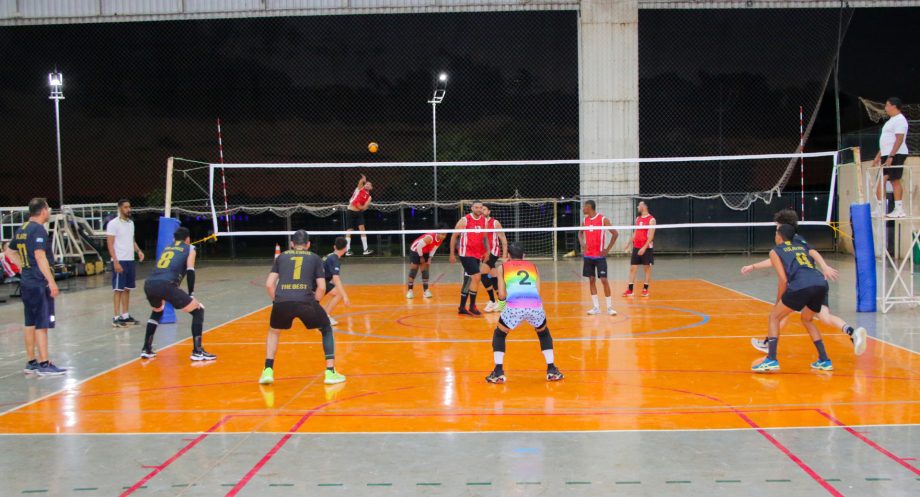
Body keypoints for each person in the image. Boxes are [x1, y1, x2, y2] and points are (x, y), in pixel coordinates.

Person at [742, 208, 867, 355]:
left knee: (781, 314)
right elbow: (775, 260)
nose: (775, 229)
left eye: (777, 226)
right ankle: (852, 332)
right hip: (816, 281)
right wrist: (754, 266)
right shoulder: (793, 240)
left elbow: (811, 252)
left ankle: (768, 345)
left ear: (783, 227)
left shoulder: (792, 239)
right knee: (824, 317)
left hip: (802, 283)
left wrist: (825, 266)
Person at [260, 230, 345, 385]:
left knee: (274, 331)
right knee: (326, 327)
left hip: (282, 300)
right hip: (306, 300)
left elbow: (269, 284)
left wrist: (277, 300)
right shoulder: (315, 257)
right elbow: (321, 287)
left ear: (292, 244)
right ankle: (330, 372)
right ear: (308, 244)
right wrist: (316, 303)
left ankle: (267, 370)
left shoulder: (281, 257)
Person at [752, 224, 838, 373]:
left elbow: (783, 280)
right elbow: (814, 256)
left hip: (801, 285)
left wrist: (779, 301)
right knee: (807, 319)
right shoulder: (801, 246)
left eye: (776, 233)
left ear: (779, 236)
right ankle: (824, 359)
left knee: (774, 317)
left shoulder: (775, 251)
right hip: (820, 283)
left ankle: (771, 359)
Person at [4, 198, 66, 375]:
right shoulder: (38, 229)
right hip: (39, 282)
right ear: (43, 211)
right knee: (42, 323)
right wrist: (51, 281)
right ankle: (44, 364)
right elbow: (40, 256)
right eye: (48, 208)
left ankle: (31, 362)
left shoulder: (22, 228)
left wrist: (23, 268)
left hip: (27, 282)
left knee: (30, 322)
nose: (49, 211)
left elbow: (9, 251)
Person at [486, 242, 563, 384]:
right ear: (524, 255)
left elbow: (502, 295)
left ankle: (498, 372)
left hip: (515, 306)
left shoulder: (502, 267)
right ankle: (551, 369)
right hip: (534, 304)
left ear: (508, 256)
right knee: (543, 332)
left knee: (500, 333)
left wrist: (503, 305)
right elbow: (538, 291)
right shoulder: (534, 267)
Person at [141, 227, 215, 361]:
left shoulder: (167, 248)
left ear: (174, 239)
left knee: (157, 310)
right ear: (188, 239)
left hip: (149, 283)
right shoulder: (190, 248)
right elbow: (190, 270)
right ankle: (197, 351)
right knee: (198, 310)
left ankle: (146, 348)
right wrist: (191, 293)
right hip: (166, 284)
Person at [106, 199, 145, 328]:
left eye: (129, 207)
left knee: (127, 289)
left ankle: (125, 315)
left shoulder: (130, 223)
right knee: (118, 289)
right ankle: (116, 317)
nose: (129, 209)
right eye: (126, 207)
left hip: (129, 260)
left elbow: (131, 240)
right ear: (119, 208)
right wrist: (116, 261)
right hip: (120, 260)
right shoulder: (113, 224)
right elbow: (110, 244)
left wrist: (138, 251)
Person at [579, 200, 618, 315]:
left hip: (599, 257)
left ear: (589, 207)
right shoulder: (584, 221)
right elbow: (580, 233)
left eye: (584, 207)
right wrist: (582, 243)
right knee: (591, 280)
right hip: (588, 256)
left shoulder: (602, 219)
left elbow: (615, 233)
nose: (583, 209)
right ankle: (596, 307)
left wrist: (607, 249)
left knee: (603, 280)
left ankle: (609, 307)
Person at [449, 201, 488, 315]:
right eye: (476, 207)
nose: (479, 209)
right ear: (472, 208)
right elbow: (454, 236)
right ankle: (472, 306)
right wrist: (452, 254)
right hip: (466, 253)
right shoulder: (465, 220)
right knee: (476, 277)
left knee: (469, 280)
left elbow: (484, 238)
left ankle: (461, 307)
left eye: (481, 207)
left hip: (477, 254)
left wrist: (487, 251)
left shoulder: (484, 220)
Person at [873, 97, 909, 218]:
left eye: (887, 105)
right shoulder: (890, 121)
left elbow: (899, 139)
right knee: (880, 180)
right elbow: (886, 141)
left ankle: (899, 209)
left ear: (894, 106)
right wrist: (878, 156)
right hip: (886, 154)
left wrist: (891, 156)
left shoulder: (900, 120)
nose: (885, 108)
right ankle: (880, 208)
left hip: (896, 154)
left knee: (895, 179)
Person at [406, 223, 448, 299]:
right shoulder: (430, 237)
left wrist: (430, 258)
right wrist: (421, 257)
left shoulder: (440, 240)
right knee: (413, 271)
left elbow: (434, 249)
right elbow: (419, 246)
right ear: (437, 232)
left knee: (425, 272)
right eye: (442, 234)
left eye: (445, 235)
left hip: (425, 251)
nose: (444, 236)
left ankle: (426, 291)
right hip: (416, 250)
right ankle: (410, 291)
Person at [624, 201, 655, 297]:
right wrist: (628, 243)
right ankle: (630, 290)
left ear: (644, 206)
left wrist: (644, 248)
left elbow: (651, 236)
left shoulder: (652, 220)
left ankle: (645, 289)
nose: (638, 207)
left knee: (647, 269)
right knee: (633, 268)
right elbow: (635, 232)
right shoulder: (638, 218)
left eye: (640, 205)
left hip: (646, 248)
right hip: (636, 247)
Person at [481, 205, 509, 312]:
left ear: (489, 211)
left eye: (484, 209)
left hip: (493, 252)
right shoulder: (478, 224)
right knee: (493, 276)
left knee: (483, 274)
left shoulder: (495, 223)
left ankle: (492, 301)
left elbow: (503, 239)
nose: (482, 211)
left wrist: (504, 256)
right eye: (480, 209)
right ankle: (502, 302)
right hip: (483, 253)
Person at [321, 236, 350, 326]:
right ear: (345, 248)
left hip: (317, 280)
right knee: (339, 294)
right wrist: (345, 296)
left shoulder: (329, 255)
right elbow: (336, 279)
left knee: (336, 293)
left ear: (334, 247)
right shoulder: (335, 260)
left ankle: (323, 315)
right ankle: (325, 317)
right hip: (318, 282)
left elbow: (332, 278)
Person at [345, 174, 374, 256]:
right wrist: (363, 179)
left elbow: (364, 207)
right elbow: (360, 182)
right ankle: (348, 250)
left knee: (362, 229)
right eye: (366, 183)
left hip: (359, 213)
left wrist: (359, 206)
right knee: (349, 230)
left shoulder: (369, 197)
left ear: (371, 188)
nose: (367, 185)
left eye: (369, 184)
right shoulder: (359, 189)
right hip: (350, 211)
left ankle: (365, 249)